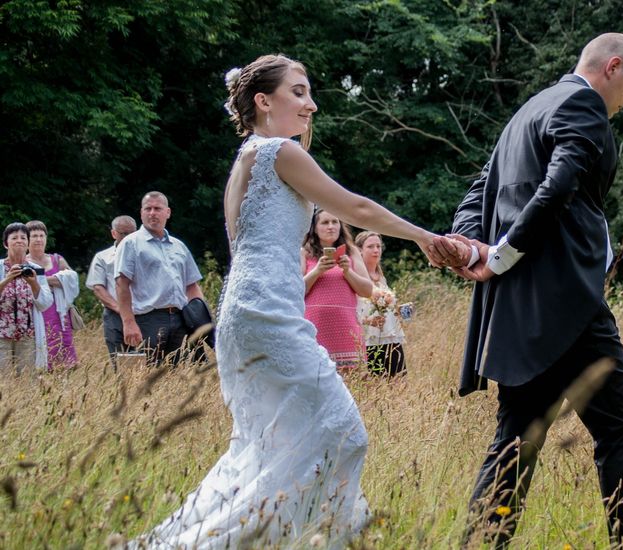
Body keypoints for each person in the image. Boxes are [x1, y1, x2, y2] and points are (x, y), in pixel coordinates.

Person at [129, 54, 443, 549]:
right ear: (263, 100)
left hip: (243, 314)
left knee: (269, 447)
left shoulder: (245, 161)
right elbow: (353, 207)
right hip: (268, 314)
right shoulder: (278, 151)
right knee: (342, 433)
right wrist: (425, 237)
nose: (311, 104)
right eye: (298, 92)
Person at [430, 33, 623, 546]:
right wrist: (499, 254)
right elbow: (559, 184)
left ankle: (482, 544)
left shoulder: (526, 112)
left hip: (518, 312)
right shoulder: (583, 103)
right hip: (568, 306)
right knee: (622, 432)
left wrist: (472, 250)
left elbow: (478, 193)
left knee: (516, 441)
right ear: (612, 66)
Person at [114, 192, 204, 365]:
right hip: (148, 320)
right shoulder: (131, 243)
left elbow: (192, 286)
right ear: (141, 213)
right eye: (148, 209)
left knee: (176, 377)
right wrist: (128, 322)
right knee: (146, 376)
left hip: (180, 319)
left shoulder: (179, 246)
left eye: (157, 208)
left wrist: (200, 319)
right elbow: (121, 285)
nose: (152, 213)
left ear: (168, 212)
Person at [302, 209, 372, 368]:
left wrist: (348, 272)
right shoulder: (304, 253)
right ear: (314, 227)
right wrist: (317, 271)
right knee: (317, 377)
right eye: (325, 222)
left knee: (352, 381)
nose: (331, 226)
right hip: (315, 327)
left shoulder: (351, 251)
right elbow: (295, 291)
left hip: (347, 328)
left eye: (335, 222)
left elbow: (367, 291)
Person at [25, 220, 79, 369]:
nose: (38, 239)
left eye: (42, 235)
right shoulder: (24, 263)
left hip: (59, 312)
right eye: (34, 235)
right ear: (27, 239)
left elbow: (72, 279)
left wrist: (40, 280)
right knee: (43, 345)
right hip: (39, 312)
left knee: (64, 347)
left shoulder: (56, 259)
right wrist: (55, 281)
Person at [0, 223, 53, 374]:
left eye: (23, 238)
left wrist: (34, 283)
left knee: (27, 382)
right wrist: (7, 279)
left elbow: (45, 303)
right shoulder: (0, 267)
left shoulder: (35, 269)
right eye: (14, 237)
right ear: (6, 243)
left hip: (27, 334)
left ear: (27, 243)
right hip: (2, 334)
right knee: (2, 381)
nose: (19, 241)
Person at [86, 215, 137, 364]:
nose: (128, 237)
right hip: (115, 314)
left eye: (132, 233)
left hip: (142, 312)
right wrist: (120, 309)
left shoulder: (144, 254)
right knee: (120, 359)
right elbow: (98, 287)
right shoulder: (103, 257)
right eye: (124, 234)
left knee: (146, 358)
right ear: (114, 233)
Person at [355, 231, 407, 377]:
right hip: (369, 338)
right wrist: (367, 321)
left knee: (399, 381)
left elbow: (387, 308)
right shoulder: (356, 276)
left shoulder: (381, 277)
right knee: (375, 382)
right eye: (370, 246)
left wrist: (399, 312)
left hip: (390, 335)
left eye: (378, 246)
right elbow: (352, 308)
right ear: (359, 250)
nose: (376, 250)